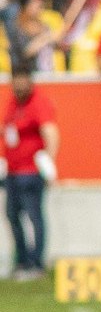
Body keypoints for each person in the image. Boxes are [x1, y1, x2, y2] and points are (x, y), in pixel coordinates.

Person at [2, 67, 54, 279]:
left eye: (22, 79)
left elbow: (51, 132)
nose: (19, 84)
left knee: (34, 216)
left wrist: (48, 163)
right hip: (12, 172)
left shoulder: (38, 103)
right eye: (16, 80)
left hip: (31, 171)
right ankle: (22, 261)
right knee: (12, 215)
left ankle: (36, 263)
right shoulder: (12, 104)